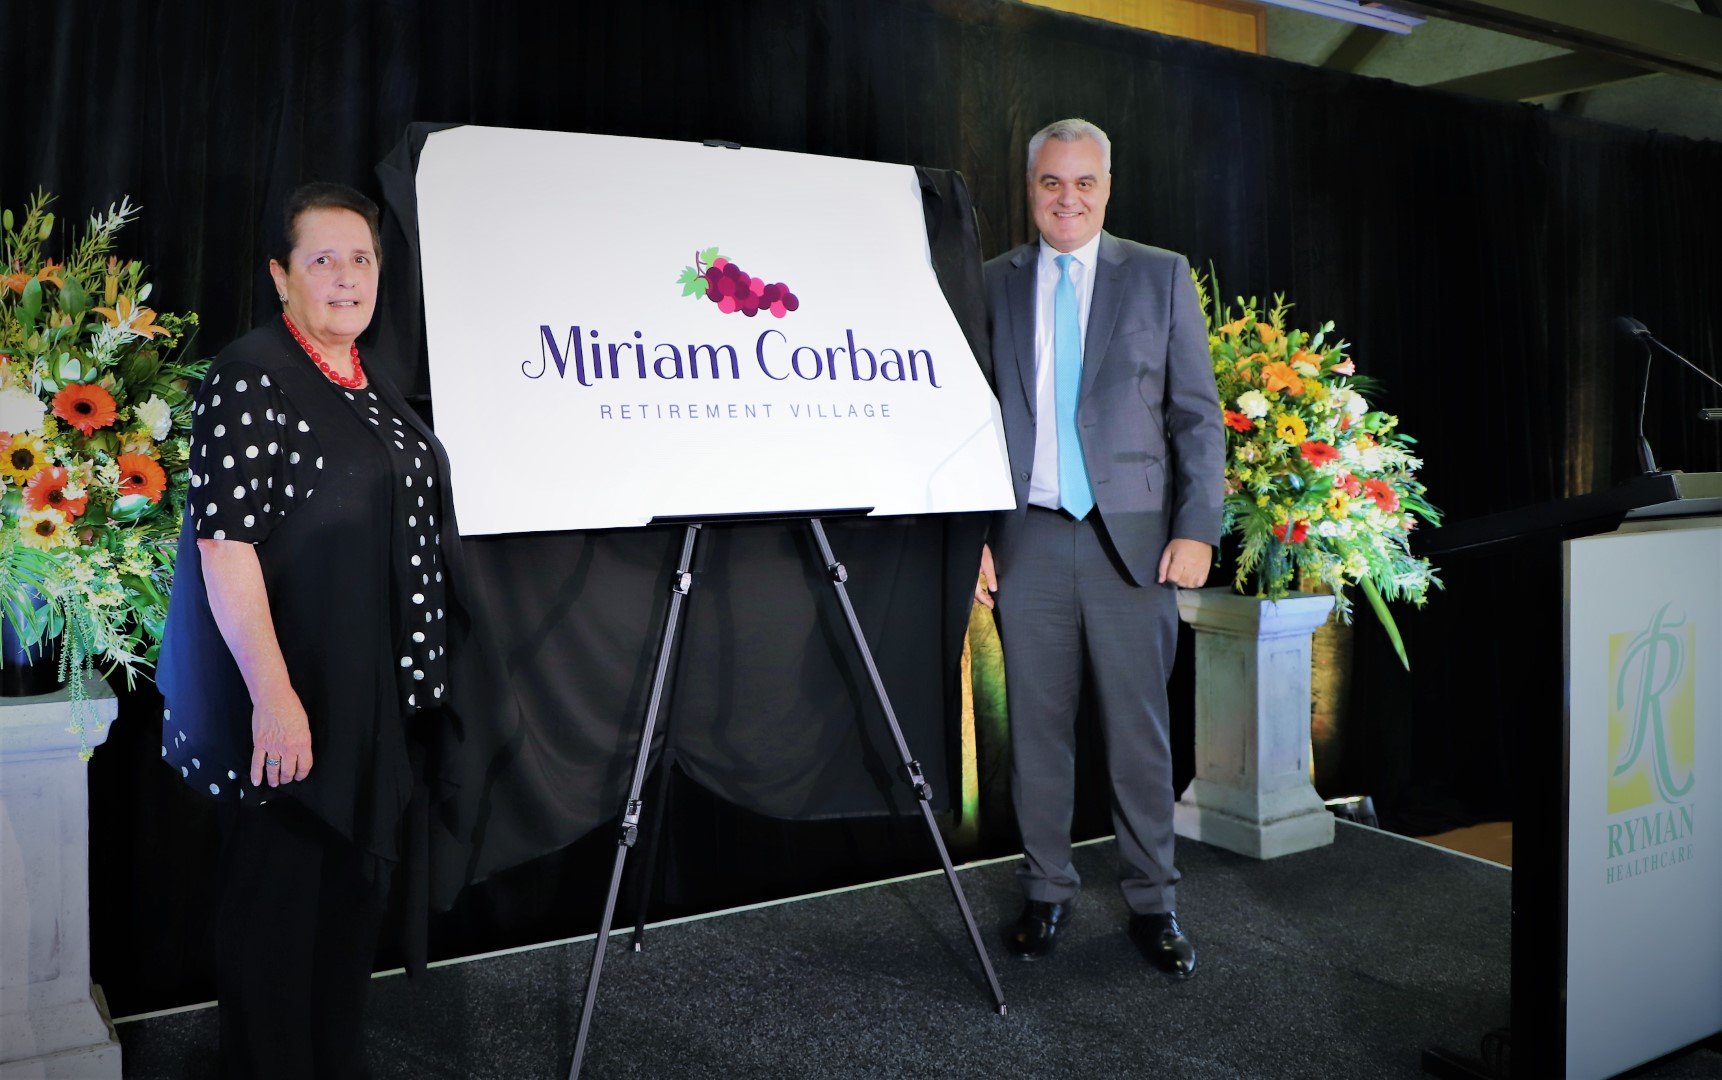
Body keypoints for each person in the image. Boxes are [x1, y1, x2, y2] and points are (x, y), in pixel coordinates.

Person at [159, 181, 467, 1077]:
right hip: (292, 706)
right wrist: (275, 697)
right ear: (280, 276)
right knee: (278, 931)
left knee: (343, 926)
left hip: (367, 705)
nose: (345, 276)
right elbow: (225, 547)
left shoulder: (367, 378)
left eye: (360, 258)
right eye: (322, 259)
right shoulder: (252, 374)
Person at [975, 118, 1224, 978]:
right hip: (1028, 542)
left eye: (1084, 182)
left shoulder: (1159, 275)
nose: (1067, 198)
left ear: (1108, 187)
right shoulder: (990, 283)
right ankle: (1046, 891)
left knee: (1139, 738)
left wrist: (1196, 528)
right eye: (1052, 181)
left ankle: (1154, 902)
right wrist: (973, 540)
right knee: (1036, 735)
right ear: (1030, 187)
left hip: (1138, 546)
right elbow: (970, 421)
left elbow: (1197, 417)